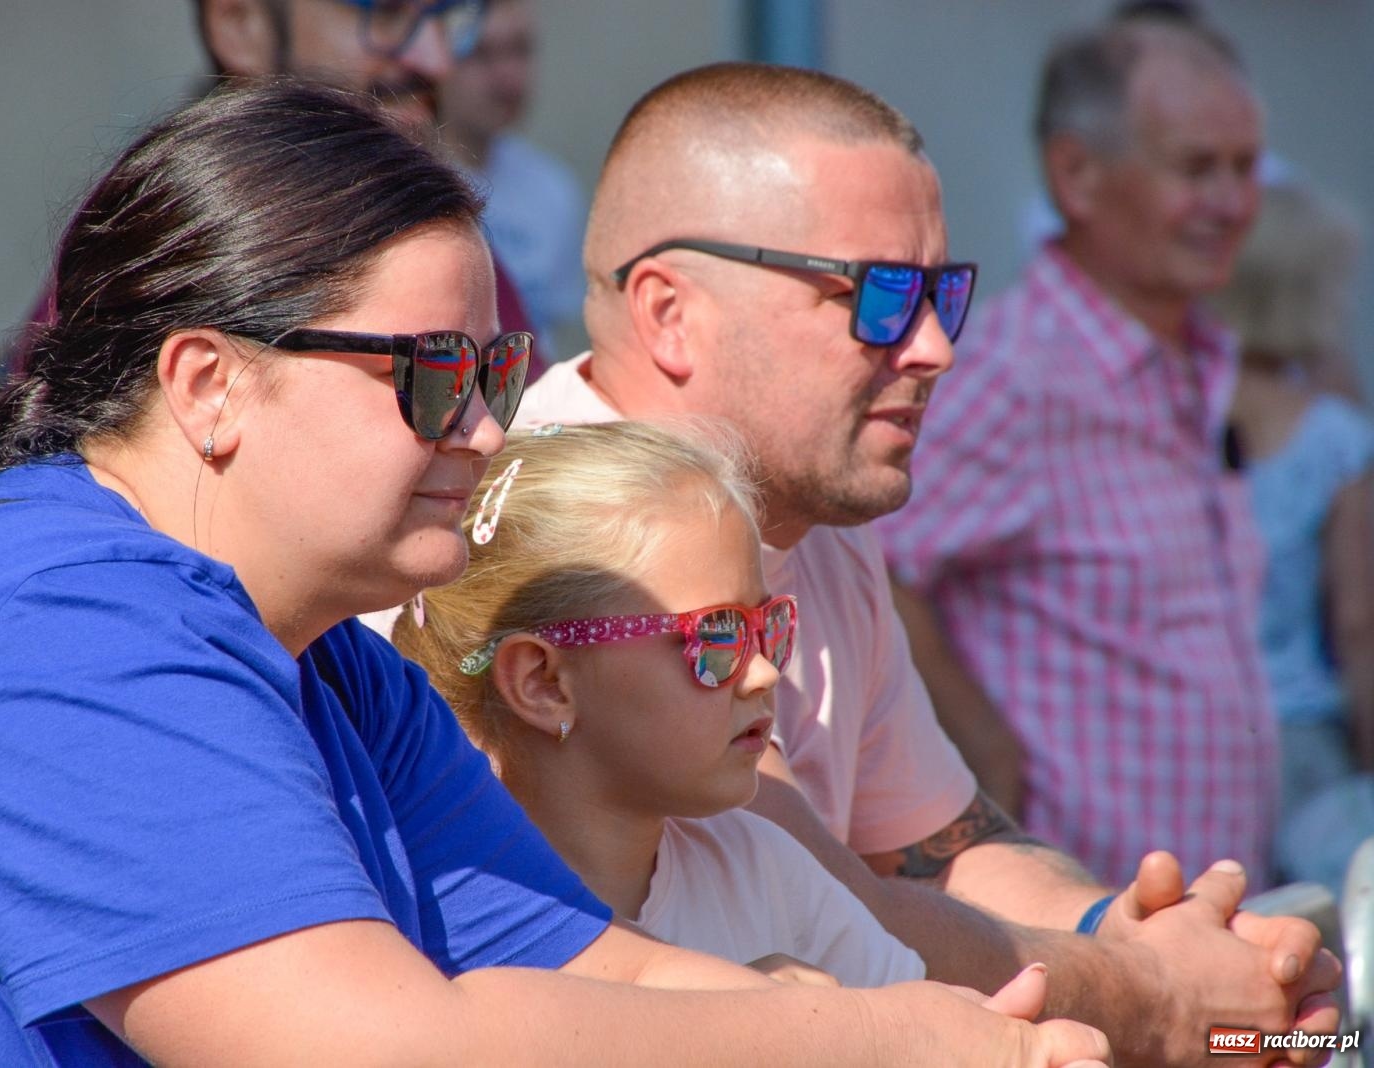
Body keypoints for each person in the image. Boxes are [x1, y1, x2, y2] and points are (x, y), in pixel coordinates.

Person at [0, 81, 1111, 1068]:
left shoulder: (335, 668)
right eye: (429, 375)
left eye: (494, 373)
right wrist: (870, 1042)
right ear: (208, 384)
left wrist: (917, 1026)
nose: (481, 428)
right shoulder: (69, 622)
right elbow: (384, 1049)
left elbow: (596, 971)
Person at [516, 59, 1340, 1065]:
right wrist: (1154, 993)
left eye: (943, 292)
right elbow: (836, 914)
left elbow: (945, 847)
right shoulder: (570, 548)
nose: (934, 348)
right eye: (882, 296)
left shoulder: (817, 519)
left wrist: (1140, 936)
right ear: (668, 313)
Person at [877, 9, 1275, 888]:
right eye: (1196, 168)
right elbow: (869, 564)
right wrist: (980, 756)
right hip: (1081, 927)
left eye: (1245, 167)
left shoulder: (1195, 360)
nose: (1231, 203)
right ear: (1076, 175)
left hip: (1201, 915)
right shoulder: (1015, 374)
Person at [393, 420, 924, 986]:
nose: (765, 672)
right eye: (717, 635)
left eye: (769, 625)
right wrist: (754, 1024)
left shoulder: (759, 867)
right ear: (543, 683)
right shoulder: (418, 913)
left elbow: (926, 1018)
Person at [192, 0, 547, 378]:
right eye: (386, 12)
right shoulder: (183, 264)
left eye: (446, 15)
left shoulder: (450, 243)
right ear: (239, 26)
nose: (437, 61)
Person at [1209, 181, 1374, 893]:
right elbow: (1358, 622)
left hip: (1198, 726)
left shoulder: (1176, 413)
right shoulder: (1334, 438)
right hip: (1302, 739)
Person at [439, 0, 586, 358]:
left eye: (519, 50)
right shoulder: (414, 183)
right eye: (481, 53)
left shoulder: (553, 189)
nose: (507, 76)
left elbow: (554, 330)